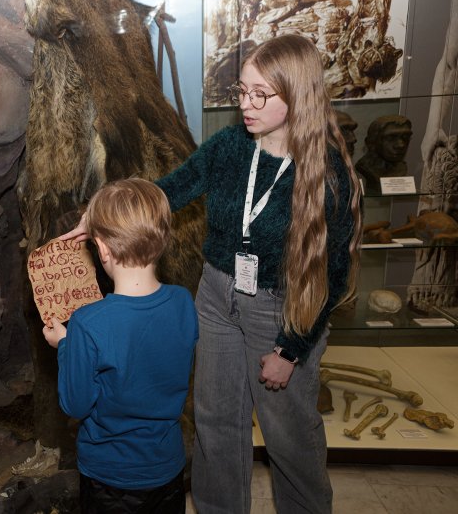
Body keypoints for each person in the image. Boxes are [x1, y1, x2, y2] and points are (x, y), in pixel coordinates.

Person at [61, 34, 363, 513]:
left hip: (284, 309)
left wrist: (292, 348)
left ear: (297, 93)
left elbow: (336, 274)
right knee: (216, 423)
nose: (245, 104)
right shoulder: (231, 146)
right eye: (241, 91)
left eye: (259, 94)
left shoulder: (327, 173)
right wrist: (104, 218)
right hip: (218, 295)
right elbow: (171, 189)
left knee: (289, 435)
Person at [44, 178, 199, 514]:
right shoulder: (184, 302)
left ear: (101, 249)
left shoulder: (88, 323)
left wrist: (66, 345)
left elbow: (76, 404)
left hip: (109, 476)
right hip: (166, 469)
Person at [354, 115, 412, 194]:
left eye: (405, 137)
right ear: (371, 142)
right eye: (391, 138)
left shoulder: (401, 167)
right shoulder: (364, 167)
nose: (401, 145)